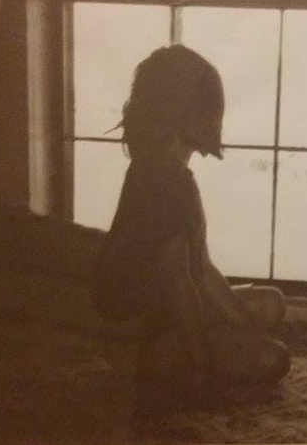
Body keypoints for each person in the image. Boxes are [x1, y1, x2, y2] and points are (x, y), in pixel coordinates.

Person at [92, 45, 290, 417]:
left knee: (270, 303)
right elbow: (178, 285)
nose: (215, 122)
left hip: (167, 310)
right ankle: (166, 375)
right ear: (179, 114)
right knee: (272, 359)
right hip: (141, 335)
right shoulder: (162, 181)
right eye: (208, 112)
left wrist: (244, 327)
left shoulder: (172, 174)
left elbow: (202, 269)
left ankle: (203, 354)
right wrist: (206, 371)